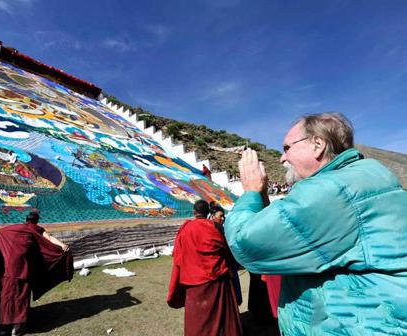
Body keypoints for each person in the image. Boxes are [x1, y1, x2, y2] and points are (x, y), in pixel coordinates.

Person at [224, 112, 407, 335]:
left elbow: (246, 245)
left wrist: (250, 192)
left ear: (317, 144)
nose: (282, 158)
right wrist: (262, 198)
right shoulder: (361, 179)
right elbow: (288, 236)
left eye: (286, 148)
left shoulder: (331, 189)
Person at [0, 211, 73, 336]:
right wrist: (62, 245)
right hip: (22, 268)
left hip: (5, 269)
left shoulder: (10, 230)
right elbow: (49, 239)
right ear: (37, 220)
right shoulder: (36, 230)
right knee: (20, 297)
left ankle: (3, 325)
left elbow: (1, 237)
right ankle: (17, 327)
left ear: (26, 219)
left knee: (6, 296)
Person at [167, 200, 242, 336]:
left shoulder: (185, 230)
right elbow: (226, 250)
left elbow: (178, 254)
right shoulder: (215, 227)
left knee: (198, 320)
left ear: (194, 212)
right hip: (217, 280)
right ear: (208, 212)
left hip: (193, 282)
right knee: (221, 317)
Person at [209, 205, 243, 306]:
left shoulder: (223, 228)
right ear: (212, 216)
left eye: (224, 216)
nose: (223, 218)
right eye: (221, 216)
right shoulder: (214, 229)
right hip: (224, 267)